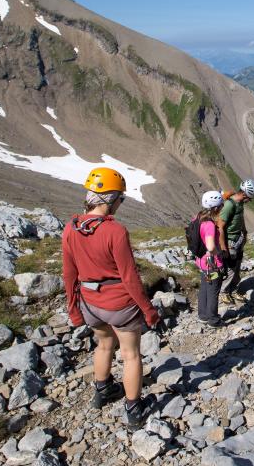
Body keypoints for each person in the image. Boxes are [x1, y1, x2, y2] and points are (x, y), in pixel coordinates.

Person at [62, 167, 159, 429]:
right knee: (130, 355)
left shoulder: (71, 228)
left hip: (90, 302)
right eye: (121, 199)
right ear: (110, 199)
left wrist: (74, 309)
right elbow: (130, 277)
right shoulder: (115, 231)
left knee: (104, 346)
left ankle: (103, 390)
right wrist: (148, 310)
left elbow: (69, 273)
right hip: (119, 304)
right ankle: (133, 408)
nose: (121, 204)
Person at [218, 178, 254, 304]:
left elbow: (239, 219)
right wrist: (223, 247)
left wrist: (244, 231)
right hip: (230, 241)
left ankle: (234, 290)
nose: (250, 200)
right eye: (250, 198)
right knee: (230, 268)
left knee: (237, 266)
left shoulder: (240, 203)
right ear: (245, 194)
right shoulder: (229, 205)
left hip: (238, 239)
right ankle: (224, 292)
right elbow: (220, 226)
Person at [195, 191, 225, 327]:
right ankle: (213, 319)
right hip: (212, 263)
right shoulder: (209, 224)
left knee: (205, 288)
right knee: (213, 291)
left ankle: (203, 315)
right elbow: (211, 246)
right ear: (215, 208)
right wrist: (219, 251)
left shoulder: (197, 218)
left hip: (201, 261)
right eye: (220, 205)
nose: (222, 207)